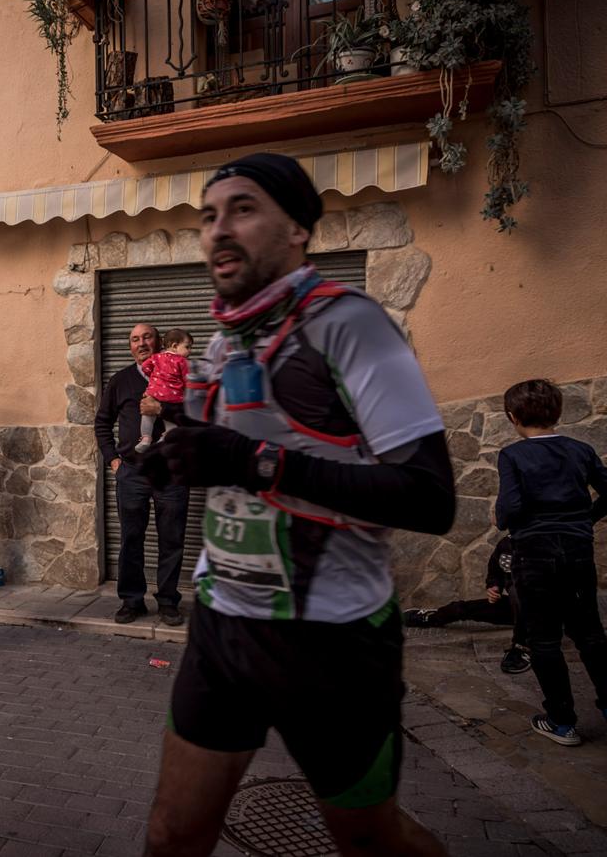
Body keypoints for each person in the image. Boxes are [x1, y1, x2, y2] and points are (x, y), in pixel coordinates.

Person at [141, 153, 456, 856]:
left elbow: (431, 498)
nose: (219, 229)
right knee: (171, 835)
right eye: (208, 215)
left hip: (333, 643)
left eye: (243, 209)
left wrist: (251, 462)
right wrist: (177, 458)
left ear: (297, 230)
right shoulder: (224, 344)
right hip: (223, 626)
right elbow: (226, 460)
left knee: (371, 841)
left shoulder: (352, 325)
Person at [495, 378, 607, 745]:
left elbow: (511, 506)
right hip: (577, 551)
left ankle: (563, 723)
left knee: (544, 639)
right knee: (590, 633)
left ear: (512, 417)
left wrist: (504, 520)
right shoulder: (581, 449)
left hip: (534, 553)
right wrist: (585, 519)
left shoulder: (513, 455)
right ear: (557, 413)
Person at [94, 322, 189, 626]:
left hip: (172, 471)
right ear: (130, 346)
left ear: (159, 340)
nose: (141, 342)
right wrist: (113, 460)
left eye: (147, 337)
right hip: (132, 472)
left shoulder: (180, 373)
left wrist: (164, 412)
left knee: (171, 539)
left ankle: (168, 601)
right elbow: (103, 423)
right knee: (131, 538)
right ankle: (131, 601)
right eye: (134, 339)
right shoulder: (121, 380)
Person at [403, 536, 531, 674]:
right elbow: (495, 570)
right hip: (514, 608)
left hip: (541, 611)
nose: (493, 517)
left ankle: (522, 647)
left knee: (518, 593)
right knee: (463, 608)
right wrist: (494, 586)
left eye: (495, 513)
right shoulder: (506, 543)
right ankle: (433, 617)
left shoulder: (544, 540)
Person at [136, 329, 193, 454]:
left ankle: (146, 438)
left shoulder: (156, 357)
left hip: (154, 393)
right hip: (173, 397)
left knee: (147, 416)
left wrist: (154, 376)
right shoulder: (182, 361)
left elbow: (145, 366)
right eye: (187, 347)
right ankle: (165, 437)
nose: (190, 351)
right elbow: (187, 379)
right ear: (174, 346)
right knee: (170, 419)